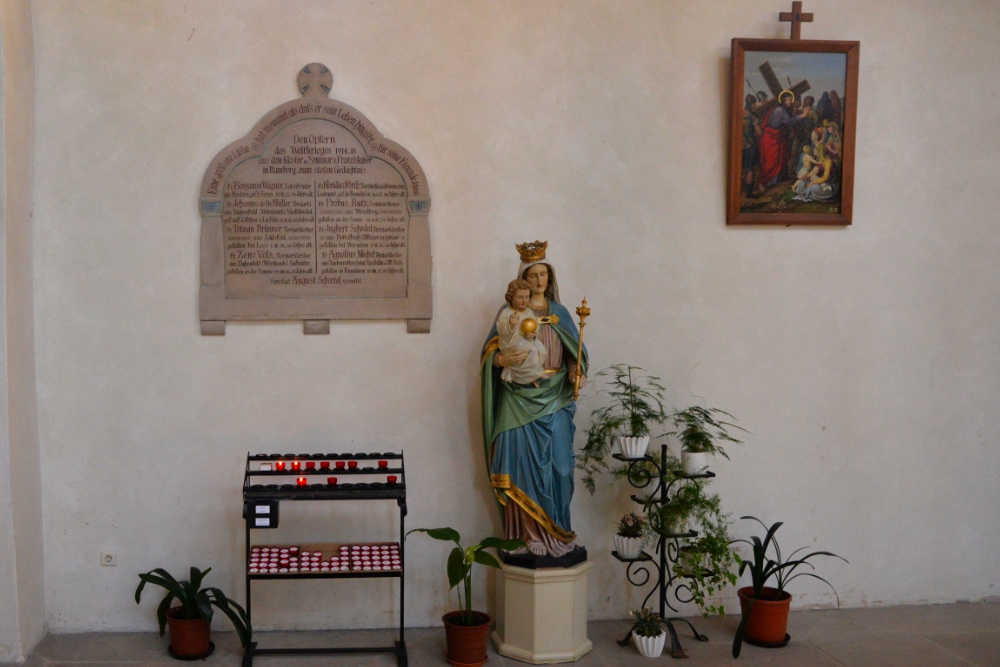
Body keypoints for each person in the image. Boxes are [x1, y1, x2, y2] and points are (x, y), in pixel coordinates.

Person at [481, 241, 587, 559]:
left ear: (550, 277)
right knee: (519, 467)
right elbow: (489, 354)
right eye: (533, 275)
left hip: (555, 396)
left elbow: (575, 354)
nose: (539, 281)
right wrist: (502, 361)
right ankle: (527, 534)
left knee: (561, 468)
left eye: (544, 274)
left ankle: (557, 530)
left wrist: (573, 372)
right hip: (517, 399)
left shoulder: (561, 313)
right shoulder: (509, 314)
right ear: (523, 279)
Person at [497, 279, 547, 387]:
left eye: (527, 296)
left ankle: (531, 375)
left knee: (542, 349)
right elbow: (500, 330)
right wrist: (510, 324)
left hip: (526, 340)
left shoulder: (528, 312)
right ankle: (528, 376)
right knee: (532, 350)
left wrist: (533, 334)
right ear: (511, 297)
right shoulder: (506, 312)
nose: (524, 301)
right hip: (511, 343)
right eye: (520, 297)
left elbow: (536, 325)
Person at [758, 90, 807, 187]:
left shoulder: (783, 110)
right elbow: (789, 121)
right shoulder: (780, 111)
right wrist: (803, 115)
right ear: (783, 100)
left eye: (790, 99)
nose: (790, 101)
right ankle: (765, 182)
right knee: (772, 161)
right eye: (788, 100)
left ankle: (777, 181)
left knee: (782, 158)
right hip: (772, 138)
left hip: (778, 138)